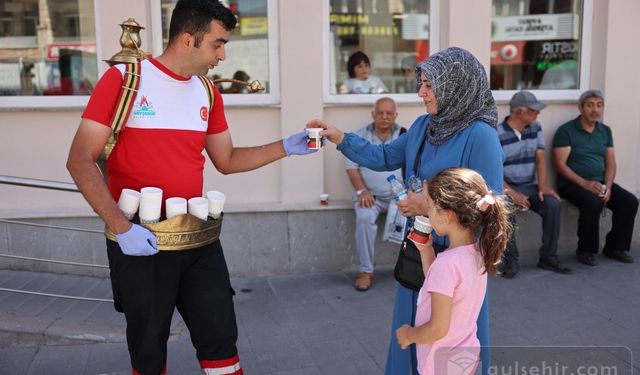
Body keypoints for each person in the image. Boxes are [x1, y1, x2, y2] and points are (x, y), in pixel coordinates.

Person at [66, 1, 316, 374]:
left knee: (220, 338)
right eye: (217, 44)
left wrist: (286, 147)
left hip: (198, 240)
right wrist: (121, 228)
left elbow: (227, 160)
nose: (223, 54)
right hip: (140, 241)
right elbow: (79, 160)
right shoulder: (124, 80)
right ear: (187, 39)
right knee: (149, 352)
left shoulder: (208, 92)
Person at [309, 46, 504, 375]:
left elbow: (489, 203)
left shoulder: (480, 135)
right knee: (411, 333)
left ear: (454, 86)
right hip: (419, 249)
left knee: (450, 343)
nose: (420, 92)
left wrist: (425, 204)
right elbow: (383, 157)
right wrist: (340, 137)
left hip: (457, 261)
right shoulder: (424, 126)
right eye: (422, 83)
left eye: (429, 85)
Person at [395, 167, 511, 375]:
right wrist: (427, 250)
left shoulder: (447, 264)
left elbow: (438, 329)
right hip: (464, 356)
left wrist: (409, 335)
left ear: (447, 215)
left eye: (429, 207)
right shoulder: (476, 251)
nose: (427, 213)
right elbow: (443, 285)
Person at [552, 90, 638, 266]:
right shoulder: (566, 131)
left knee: (629, 202)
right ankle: (586, 250)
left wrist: (608, 186)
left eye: (599, 105)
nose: (595, 110)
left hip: (599, 182)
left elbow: (611, 163)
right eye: (590, 105)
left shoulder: (605, 131)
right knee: (593, 203)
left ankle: (615, 247)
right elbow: (560, 165)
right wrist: (585, 183)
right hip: (572, 183)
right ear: (581, 108)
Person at [498, 91, 571, 278]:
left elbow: (540, 159)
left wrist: (543, 186)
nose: (537, 114)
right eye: (533, 110)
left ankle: (548, 257)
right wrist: (511, 192)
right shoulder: (496, 134)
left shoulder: (535, 127)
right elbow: (493, 170)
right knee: (504, 207)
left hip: (530, 186)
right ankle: (511, 259)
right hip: (505, 187)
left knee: (552, 204)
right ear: (519, 112)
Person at [347, 97, 404, 291]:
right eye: (380, 113)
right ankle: (365, 271)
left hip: (400, 197)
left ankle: (412, 269)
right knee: (364, 218)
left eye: (389, 113)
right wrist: (362, 190)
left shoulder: (404, 135)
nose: (384, 117)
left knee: (419, 219)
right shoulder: (360, 136)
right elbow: (352, 168)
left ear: (395, 115)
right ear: (373, 114)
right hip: (371, 197)